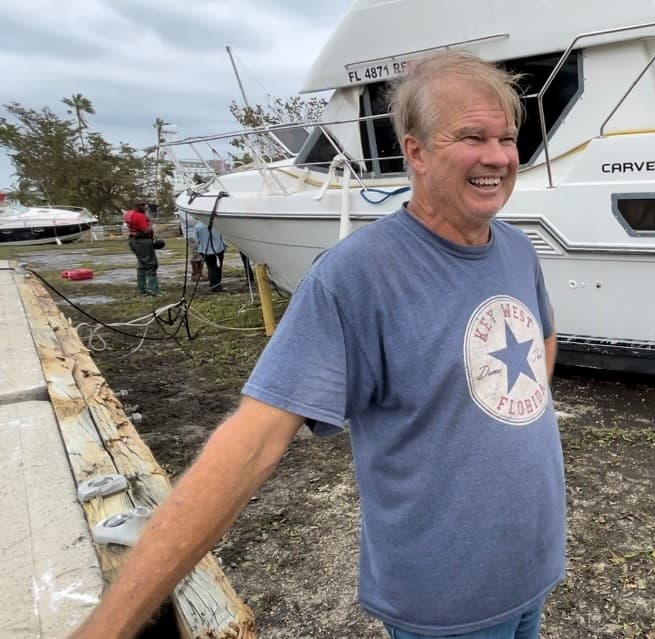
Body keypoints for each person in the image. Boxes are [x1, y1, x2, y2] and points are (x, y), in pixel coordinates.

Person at [70, 50, 563, 639]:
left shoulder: (517, 249)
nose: (498, 157)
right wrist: (111, 625)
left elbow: (541, 340)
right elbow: (253, 442)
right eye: (472, 137)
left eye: (506, 138)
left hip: (531, 565)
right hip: (446, 599)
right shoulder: (355, 275)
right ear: (416, 152)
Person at [122, 202, 159, 296]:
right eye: (142, 205)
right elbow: (146, 230)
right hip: (143, 241)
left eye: (145, 205)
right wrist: (151, 224)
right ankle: (154, 290)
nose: (145, 207)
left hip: (133, 240)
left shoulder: (128, 214)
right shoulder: (139, 216)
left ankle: (142, 289)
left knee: (142, 264)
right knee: (151, 264)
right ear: (136, 206)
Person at [193, 220, 226, 291]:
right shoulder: (217, 224)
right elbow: (223, 236)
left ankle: (214, 285)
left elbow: (196, 239)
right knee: (218, 267)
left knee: (211, 267)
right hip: (219, 249)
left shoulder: (198, 226)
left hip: (205, 250)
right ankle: (217, 284)